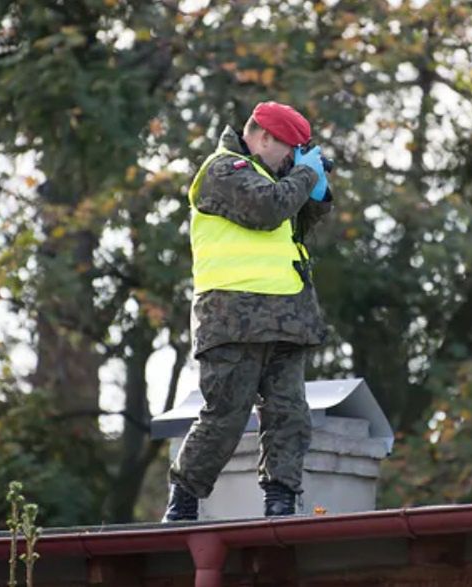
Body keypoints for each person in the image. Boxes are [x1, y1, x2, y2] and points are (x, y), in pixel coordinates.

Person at [162, 101, 332, 521]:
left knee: (289, 416)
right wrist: (305, 174)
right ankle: (182, 504)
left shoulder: (271, 177)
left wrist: (318, 191)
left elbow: (296, 223)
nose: (292, 160)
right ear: (264, 138)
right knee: (225, 417)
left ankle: (280, 501)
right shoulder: (223, 170)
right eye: (289, 150)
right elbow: (268, 210)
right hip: (233, 320)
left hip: (286, 319)